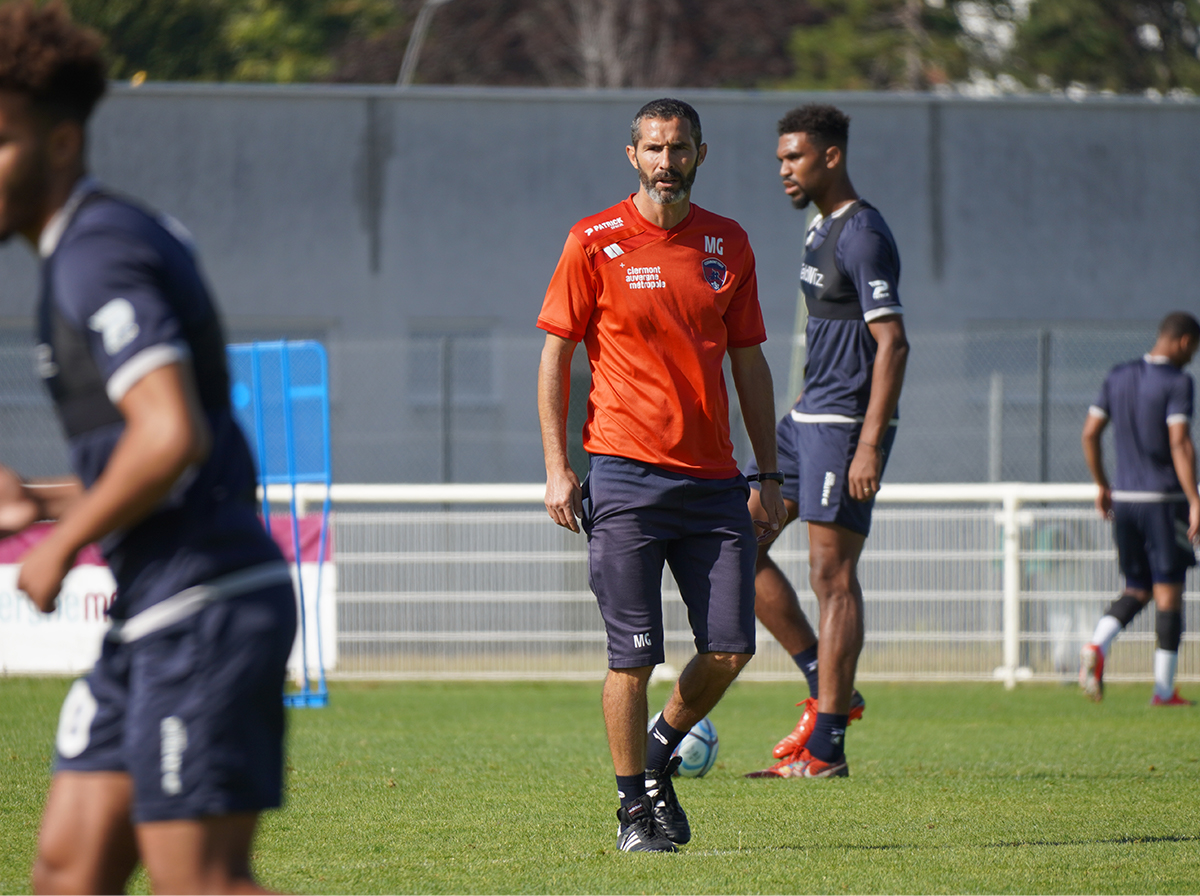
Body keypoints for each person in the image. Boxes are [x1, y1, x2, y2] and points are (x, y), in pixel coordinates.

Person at [0, 3, 297, 892]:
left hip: (201, 603)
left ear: (59, 145)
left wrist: (54, 546)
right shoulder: (83, 251)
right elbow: (156, 455)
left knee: (202, 881)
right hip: (153, 611)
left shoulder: (97, 251)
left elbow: (170, 435)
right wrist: (43, 503)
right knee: (65, 870)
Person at [537, 98, 787, 852]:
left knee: (730, 649)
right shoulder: (594, 241)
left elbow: (749, 360)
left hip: (714, 482)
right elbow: (556, 357)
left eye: (679, 149)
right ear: (632, 155)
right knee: (634, 656)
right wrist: (558, 468)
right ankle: (632, 814)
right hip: (622, 477)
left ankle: (654, 760)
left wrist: (767, 473)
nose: (666, 162)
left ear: (700, 155)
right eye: (654, 149)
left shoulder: (729, 243)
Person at [743, 104, 908, 779]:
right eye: (780, 158)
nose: (783, 169)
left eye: (795, 158)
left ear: (831, 157)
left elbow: (892, 342)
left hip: (843, 428)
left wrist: (869, 446)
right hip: (805, 417)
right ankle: (823, 676)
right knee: (730, 539)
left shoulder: (862, 234)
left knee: (831, 577)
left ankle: (828, 747)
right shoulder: (821, 230)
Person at [1079, 311, 1200, 706]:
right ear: (1183, 342)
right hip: (1164, 502)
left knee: (1137, 588)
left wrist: (1102, 484)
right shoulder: (1179, 382)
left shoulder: (1118, 376)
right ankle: (1164, 690)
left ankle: (1097, 645)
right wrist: (1195, 499)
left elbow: (1090, 433)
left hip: (1125, 501)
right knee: (1169, 595)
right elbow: (1179, 442)